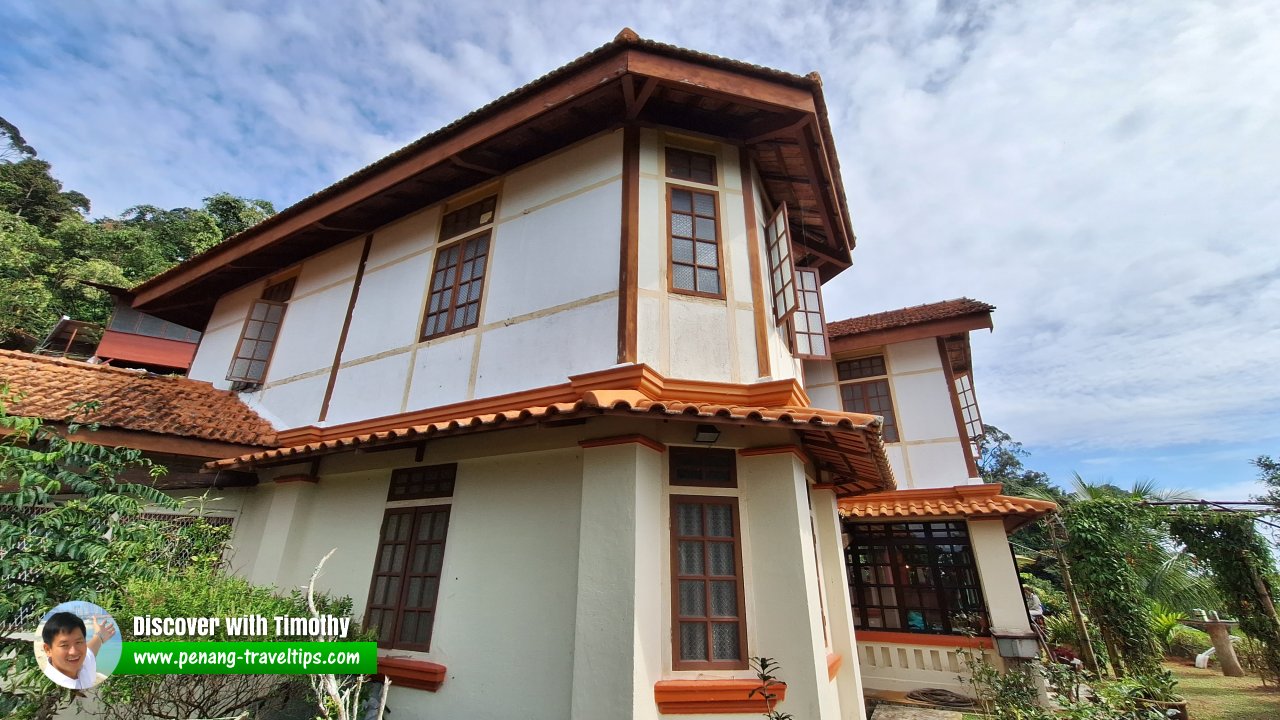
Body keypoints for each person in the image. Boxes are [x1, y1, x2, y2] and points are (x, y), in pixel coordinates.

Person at [40, 612, 115, 690]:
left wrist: (99, 636)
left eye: (78, 642)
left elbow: (91, 650)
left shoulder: (84, 664)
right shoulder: (53, 688)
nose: (74, 652)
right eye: (64, 645)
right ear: (48, 650)